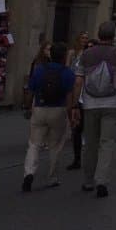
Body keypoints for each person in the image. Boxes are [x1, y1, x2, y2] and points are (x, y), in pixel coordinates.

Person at [69, 22, 116, 199]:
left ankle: (88, 180)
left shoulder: (87, 55)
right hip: (112, 105)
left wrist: (75, 105)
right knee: (107, 143)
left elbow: (78, 81)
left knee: (90, 143)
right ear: (113, 36)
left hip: (90, 104)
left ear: (98, 34)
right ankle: (102, 181)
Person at [22, 42, 75, 193]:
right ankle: (51, 177)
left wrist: (27, 107)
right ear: (64, 56)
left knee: (34, 144)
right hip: (58, 110)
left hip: (39, 108)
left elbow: (30, 91)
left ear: (51, 54)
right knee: (55, 146)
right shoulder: (68, 73)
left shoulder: (39, 70)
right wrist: (71, 115)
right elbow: (70, 98)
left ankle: (29, 173)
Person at [65, 29, 89, 170]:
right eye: (82, 38)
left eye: (86, 38)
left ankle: (79, 131)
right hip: (73, 82)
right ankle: (73, 128)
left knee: (79, 108)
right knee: (70, 108)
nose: (84, 40)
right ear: (78, 39)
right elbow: (68, 67)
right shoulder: (72, 52)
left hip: (82, 84)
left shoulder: (88, 54)